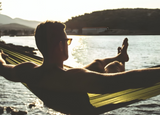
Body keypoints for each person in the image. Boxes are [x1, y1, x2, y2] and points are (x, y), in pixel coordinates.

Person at [0, 20, 160, 115]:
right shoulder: (72, 77)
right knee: (112, 69)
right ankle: (119, 61)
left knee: (96, 64)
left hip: (61, 85)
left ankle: (119, 57)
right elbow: (121, 81)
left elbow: (3, 68)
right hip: (77, 96)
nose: (68, 45)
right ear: (60, 45)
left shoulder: (27, 70)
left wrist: (1, 57)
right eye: (66, 41)